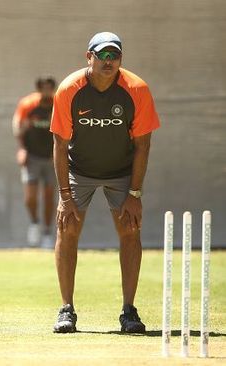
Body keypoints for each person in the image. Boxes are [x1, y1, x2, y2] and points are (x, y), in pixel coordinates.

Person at [50, 32, 160, 333]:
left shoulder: (136, 89)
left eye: (115, 56)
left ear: (121, 59)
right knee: (68, 228)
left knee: (129, 229)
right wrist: (65, 195)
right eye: (103, 55)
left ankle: (128, 311)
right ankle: (66, 310)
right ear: (89, 57)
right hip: (78, 168)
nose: (108, 61)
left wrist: (134, 193)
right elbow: (60, 145)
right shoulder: (69, 89)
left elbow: (143, 145)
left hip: (121, 170)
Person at [12, 78, 57, 248]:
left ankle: (47, 233)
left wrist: (60, 152)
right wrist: (22, 149)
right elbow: (18, 126)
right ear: (38, 89)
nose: (46, 91)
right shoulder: (28, 104)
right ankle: (34, 223)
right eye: (43, 88)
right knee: (30, 196)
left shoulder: (58, 104)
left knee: (48, 196)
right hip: (32, 157)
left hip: (51, 157)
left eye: (49, 88)